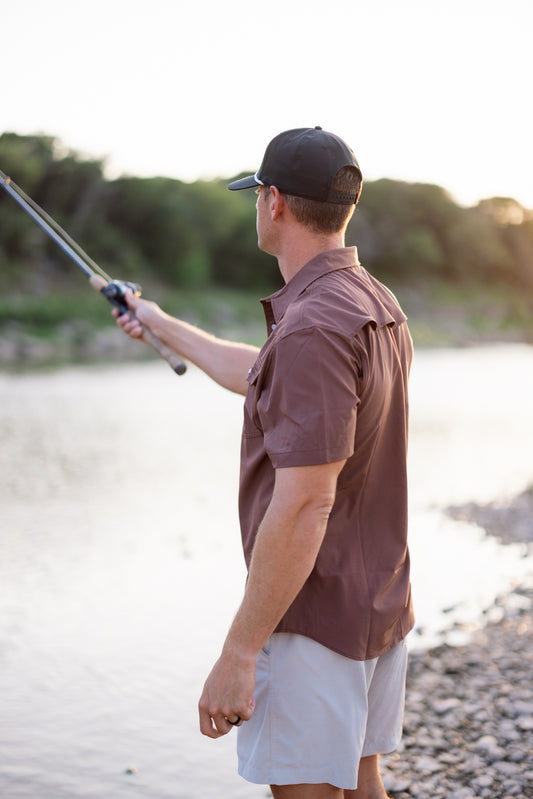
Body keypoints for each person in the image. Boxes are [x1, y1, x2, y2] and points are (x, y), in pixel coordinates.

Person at [114, 126, 414, 799]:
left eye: (256, 196)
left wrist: (239, 652)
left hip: (313, 619)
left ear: (273, 202)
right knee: (362, 782)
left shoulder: (311, 325)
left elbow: (306, 500)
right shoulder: (371, 301)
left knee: (308, 789)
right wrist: (160, 323)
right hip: (374, 603)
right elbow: (267, 374)